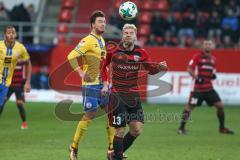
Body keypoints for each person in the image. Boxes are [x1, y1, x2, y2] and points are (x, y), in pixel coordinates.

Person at [101, 24, 168, 160]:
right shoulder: (113, 51)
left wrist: (159, 67)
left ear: (135, 35)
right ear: (122, 35)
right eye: (125, 32)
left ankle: (114, 155)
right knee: (120, 129)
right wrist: (104, 84)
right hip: (117, 95)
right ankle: (118, 157)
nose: (128, 34)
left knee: (136, 130)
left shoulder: (141, 53)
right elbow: (102, 67)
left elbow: (151, 70)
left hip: (133, 95)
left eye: (131, 32)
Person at [67, 10, 114, 160]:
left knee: (111, 114)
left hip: (103, 84)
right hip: (91, 85)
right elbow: (71, 56)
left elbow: (104, 65)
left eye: (104, 21)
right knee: (90, 114)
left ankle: (111, 149)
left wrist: (107, 84)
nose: (103, 24)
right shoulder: (87, 40)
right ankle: (74, 147)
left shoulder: (102, 41)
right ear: (93, 24)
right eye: (100, 21)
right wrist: (81, 73)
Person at [178, 39, 234, 135]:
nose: (207, 46)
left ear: (212, 47)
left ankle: (222, 128)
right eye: (205, 44)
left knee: (220, 106)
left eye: (209, 44)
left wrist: (213, 75)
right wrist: (197, 78)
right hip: (197, 89)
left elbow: (213, 72)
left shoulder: (213, 59)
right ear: (202, 46)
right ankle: (181, 129)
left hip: (209, 88)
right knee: (190, 107)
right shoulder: (197, 57)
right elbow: (189, 69)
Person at [0, 26, 31, 120]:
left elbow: (28, 63)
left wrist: (28, 82)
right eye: (9, 33)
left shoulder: (21, 48)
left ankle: (24, 122)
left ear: (16, 34)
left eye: (13, 33)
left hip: (6, 83)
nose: (11, 35)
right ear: (5, 35)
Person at [1, 61, 31, 129]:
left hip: (19, 86)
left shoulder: (22, 61)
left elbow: (26, 68)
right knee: (2, 102)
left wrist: (26, 83)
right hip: (9, 85)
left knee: (19, 104)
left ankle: (24, 123)